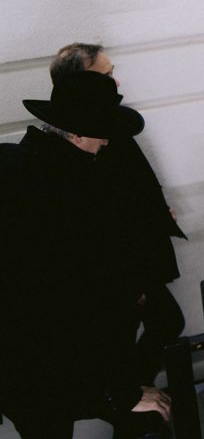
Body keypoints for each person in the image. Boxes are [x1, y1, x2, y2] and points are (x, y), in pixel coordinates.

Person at [0, 71, 171, 438]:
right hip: (45, 369)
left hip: (19, 367)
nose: (106, 141)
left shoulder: (14, 162)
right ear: (76, 134)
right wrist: (123, 393)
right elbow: (85, 306)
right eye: (101, 132)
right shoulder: (71, 193)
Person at [50, 43, 187, 388]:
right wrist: (131, 284)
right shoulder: (83, 134)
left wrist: (157, 212)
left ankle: (133, 398)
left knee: (156, 326)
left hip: (133, 256)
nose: (117, 82)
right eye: (107, 74)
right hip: (125, 264)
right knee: (143, 330)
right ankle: (131, 401)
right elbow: (101, 214)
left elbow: (131, 185)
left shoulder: (103, 121)